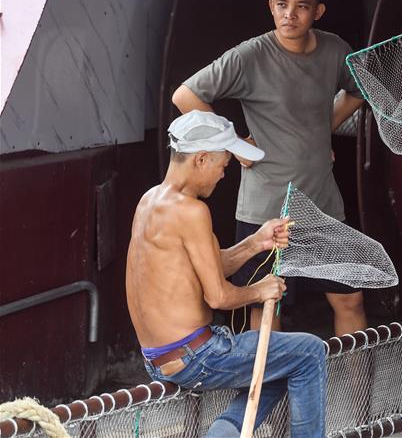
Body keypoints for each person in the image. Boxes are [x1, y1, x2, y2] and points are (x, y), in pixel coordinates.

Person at [172, 0, 367, 336]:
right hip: (266, 208)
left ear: (318, 12)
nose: (289, 15)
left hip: (323, 203)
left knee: (350, 299)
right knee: (266, 307)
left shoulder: (335, 49)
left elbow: (359, 90)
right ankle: (267, 395)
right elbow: (185, 95)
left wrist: (319, 133)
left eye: (301, 7)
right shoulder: (250, 55)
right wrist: (230, 142)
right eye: (282, 5)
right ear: (271, 7)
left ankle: (350, 393)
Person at [126, 110, 326, 437]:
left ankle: (223, 433)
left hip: (160, 358)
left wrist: (256, 242)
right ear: (202, 159)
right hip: (196, 357)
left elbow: (207, 265)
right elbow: (219, 297)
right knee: (309, 353)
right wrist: (262, 290)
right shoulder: (192, 211)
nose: (222, 175)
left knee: (278, 364)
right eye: (223, 166)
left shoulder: (150, 201)